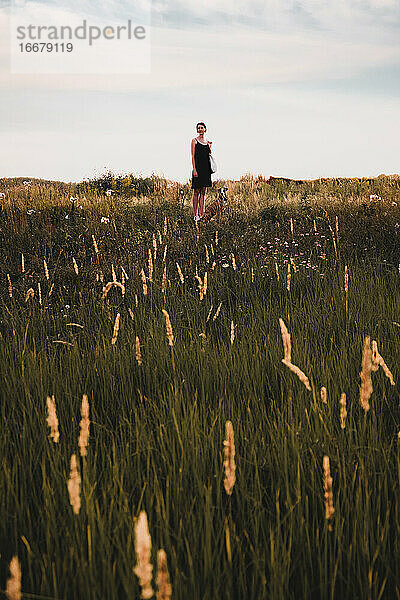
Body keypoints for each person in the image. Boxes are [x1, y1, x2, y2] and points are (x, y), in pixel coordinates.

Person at [191, 122, 213, 221]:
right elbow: (192, 156)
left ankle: (202, 214)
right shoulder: (194, 141)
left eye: (202, 128)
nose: (200, 129)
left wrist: (210, 147)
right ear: (197, 130)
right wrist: (194, 169)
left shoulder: (208, 142)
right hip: (198, 169)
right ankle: (196, 215)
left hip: (206, 169)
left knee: (203, 192)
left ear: (205, 129)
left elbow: (209, 156)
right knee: (196, 191)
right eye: (198, 128)